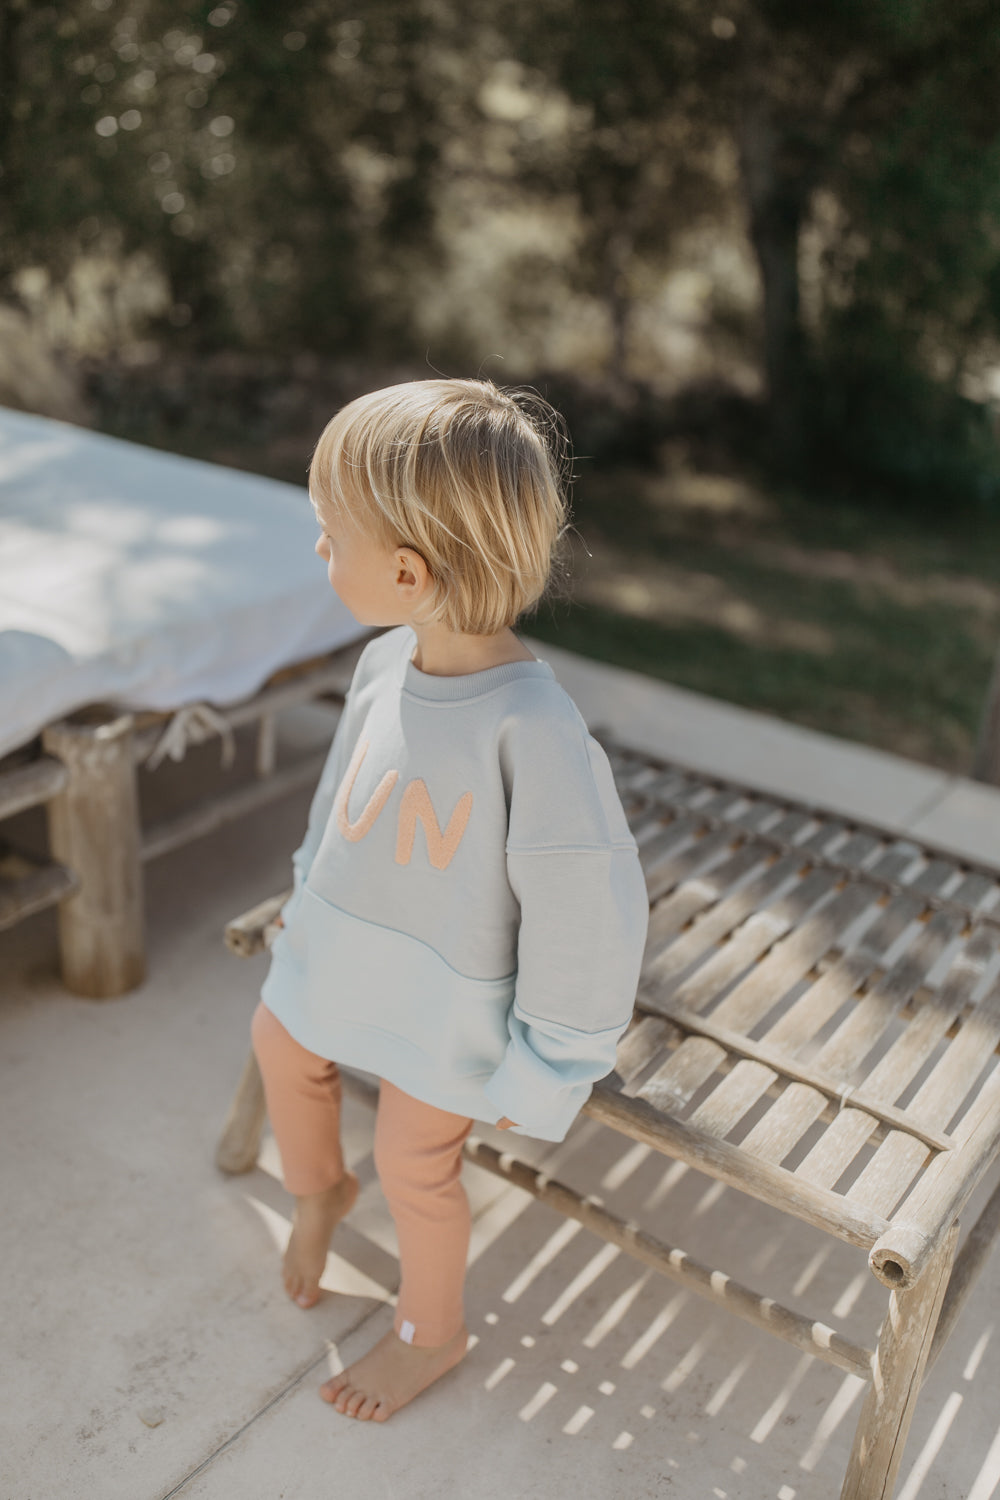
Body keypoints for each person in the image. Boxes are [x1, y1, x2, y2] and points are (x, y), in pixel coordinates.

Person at [250, 377, 649, 1423]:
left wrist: (548, 1059)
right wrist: (302, 906)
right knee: (282, 1044)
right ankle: (315, 1193)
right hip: (343, 951)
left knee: (413, 1162)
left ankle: (431, 1332)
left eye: (328, 537)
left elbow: (589, 916)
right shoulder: (387, 665)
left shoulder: (536, 734)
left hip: (448, 1003)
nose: (321, 554)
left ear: (407, 569)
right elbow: (341, 804)